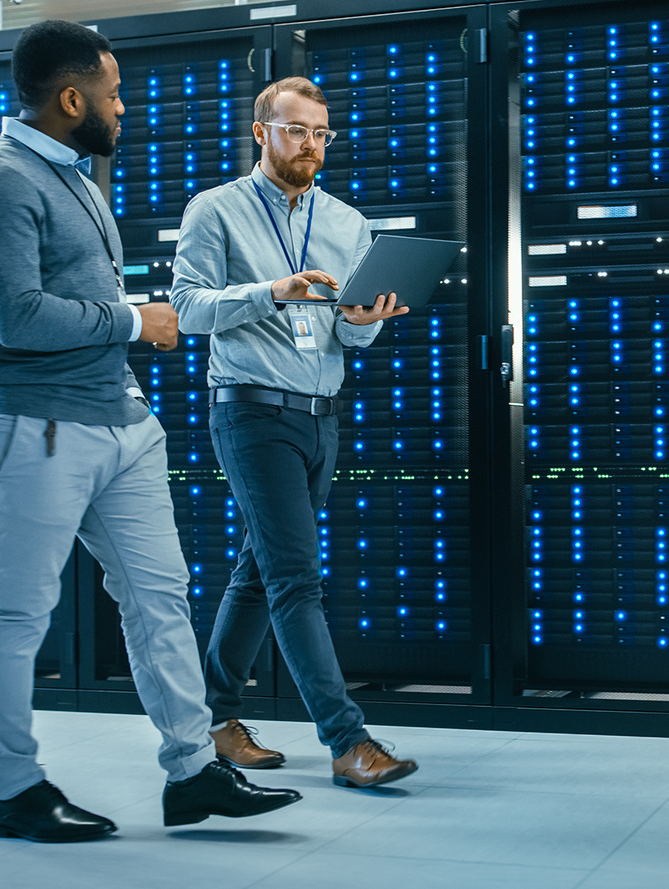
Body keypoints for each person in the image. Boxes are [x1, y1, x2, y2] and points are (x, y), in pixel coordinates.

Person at [0, 20, 301, 842]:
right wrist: (137, 321)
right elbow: (18, 318)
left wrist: (133, 375)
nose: (124, 106)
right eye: (111, 93)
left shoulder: (76, 176)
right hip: (28, 426)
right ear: (72, 99)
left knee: (160, 597)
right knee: (16, 612)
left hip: (118, 424)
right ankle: (11, 788)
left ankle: (192, 771)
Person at [171, 77, 417, 788]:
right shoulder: (214, 210)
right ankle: (348, 741)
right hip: (249, 410)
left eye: (321, 134)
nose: (311, 145)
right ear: (261, 132)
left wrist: (362, 324)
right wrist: (269, 292)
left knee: (261, 568)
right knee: (295, 578)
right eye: (297, 130)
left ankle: (213, 717)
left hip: (321, 416)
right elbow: (187, 309)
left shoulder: (346, 221)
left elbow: (343, 329)